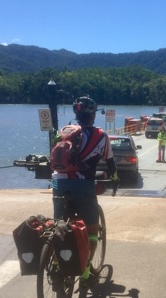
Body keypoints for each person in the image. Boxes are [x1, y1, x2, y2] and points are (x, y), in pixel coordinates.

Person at [51, 95, 118, 286]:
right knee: (92, 231)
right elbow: (111, 165)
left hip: (58, 184)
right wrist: (114, 180)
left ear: (76, 114)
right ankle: (86, 274)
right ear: (93, 114)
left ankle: (55, 266)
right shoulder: (100, 135)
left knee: (59, 226)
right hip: (83, 185)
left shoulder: (63, 131)